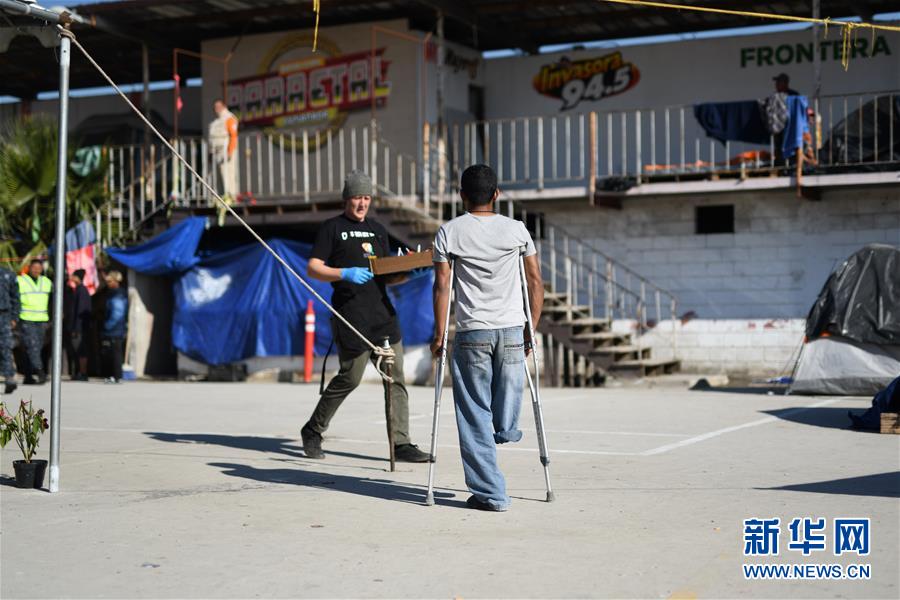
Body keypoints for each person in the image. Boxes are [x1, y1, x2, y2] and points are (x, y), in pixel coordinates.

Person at [431, 164, 544, 512]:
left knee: (474, 412)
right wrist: (531, 328)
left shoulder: (449, 231)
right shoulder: (517, 229)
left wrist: (439, 334)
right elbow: (535, 281)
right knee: (506, 391)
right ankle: (506, 428)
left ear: (461, 195)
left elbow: (442, 285)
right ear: (496, 194)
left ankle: (492, 494)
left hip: (472, 332)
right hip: (511, 328)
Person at [300, 170, 430, 463]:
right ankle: (313, 429)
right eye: (357, 197)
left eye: (367, 198)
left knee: (395, 378)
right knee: (350, 377)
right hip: (352, 316)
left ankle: (401, 443)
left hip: (383, 316)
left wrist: (411, 272)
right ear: (347, 198)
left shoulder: (378, 230)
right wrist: (344, 273)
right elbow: (313, 267)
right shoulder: (332, 228)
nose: (362, 203)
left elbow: (385, 276)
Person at [17, 259, 52, 385]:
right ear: (29, 268)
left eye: (39, 268)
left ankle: (28, 375)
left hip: (41, 320)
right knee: (32, 346)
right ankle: (40, 371)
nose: (36, 270)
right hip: (26, 318)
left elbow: (53, 300)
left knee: (34, 348)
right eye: (34, 268)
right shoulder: (20, 281)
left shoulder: (47, 282)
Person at [208, 99, 239, 226]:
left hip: (226, 151)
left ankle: (230, 197)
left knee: (228, 175)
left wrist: (230, 151)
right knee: (218, 177)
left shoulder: (229, 118)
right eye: (215, 107)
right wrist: (210, 154)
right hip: (216, 153)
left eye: (219, 106)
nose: (217, 109)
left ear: (224, 106)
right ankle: (220, 197)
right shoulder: (216, 122)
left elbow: (233, 135)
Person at [63, 269, 91, 381]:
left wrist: (76, 328)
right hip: (77, 327)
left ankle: (82, 373)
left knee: (80, 350)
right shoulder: (77, 290)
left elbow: (80, 310)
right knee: (76, 350)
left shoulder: (82, 291)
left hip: (79, 328)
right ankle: (78, 372)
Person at [100, 271, 127, 384]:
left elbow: (117, 313)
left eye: (110, 281)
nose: (108, 284)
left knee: (115, 354)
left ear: (116, 281)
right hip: (114, 329)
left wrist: (107, 326)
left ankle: (116, 376)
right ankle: (113, 375)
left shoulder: (118, 294)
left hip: (115, 329)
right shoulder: (113, 293)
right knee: (110, 353)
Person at [0, 267, 19, 395]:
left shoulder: (8, 274)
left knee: (6, 347)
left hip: (4, 315)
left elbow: (15, 296)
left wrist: (14, 317)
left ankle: (9, 378)